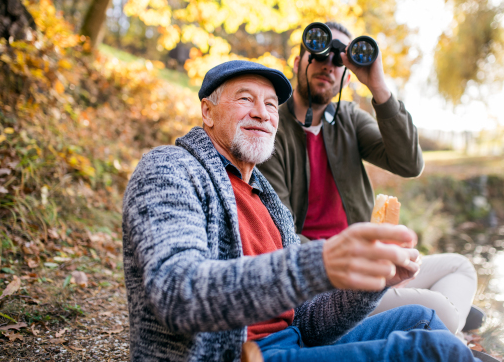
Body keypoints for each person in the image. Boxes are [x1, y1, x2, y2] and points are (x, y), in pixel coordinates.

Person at [122, 60, 484, 361]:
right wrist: (320, 261)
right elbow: (176, 293)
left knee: (423, 318)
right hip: (238, 355)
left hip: (292, 345)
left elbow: (308, 320)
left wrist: (372, 284)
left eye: (269, 105)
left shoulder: (269, 201)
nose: (262, 114)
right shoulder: (170, 169)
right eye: (245, 99)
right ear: (208, 111)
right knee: (433, 350)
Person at [258, 22, 480, 335]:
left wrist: (378, 87)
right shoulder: (271, 130)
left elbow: (409, 162)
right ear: (297, 63)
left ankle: (413, 322)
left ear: (347, 74)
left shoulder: (349, 119)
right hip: (320, 280)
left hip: (369, 267)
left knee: (460, 267)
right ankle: (434, 321)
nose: (328, 66)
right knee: (441, 309)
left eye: (339, 60)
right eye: (320, 55)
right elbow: (281, 233)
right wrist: (348, 258)